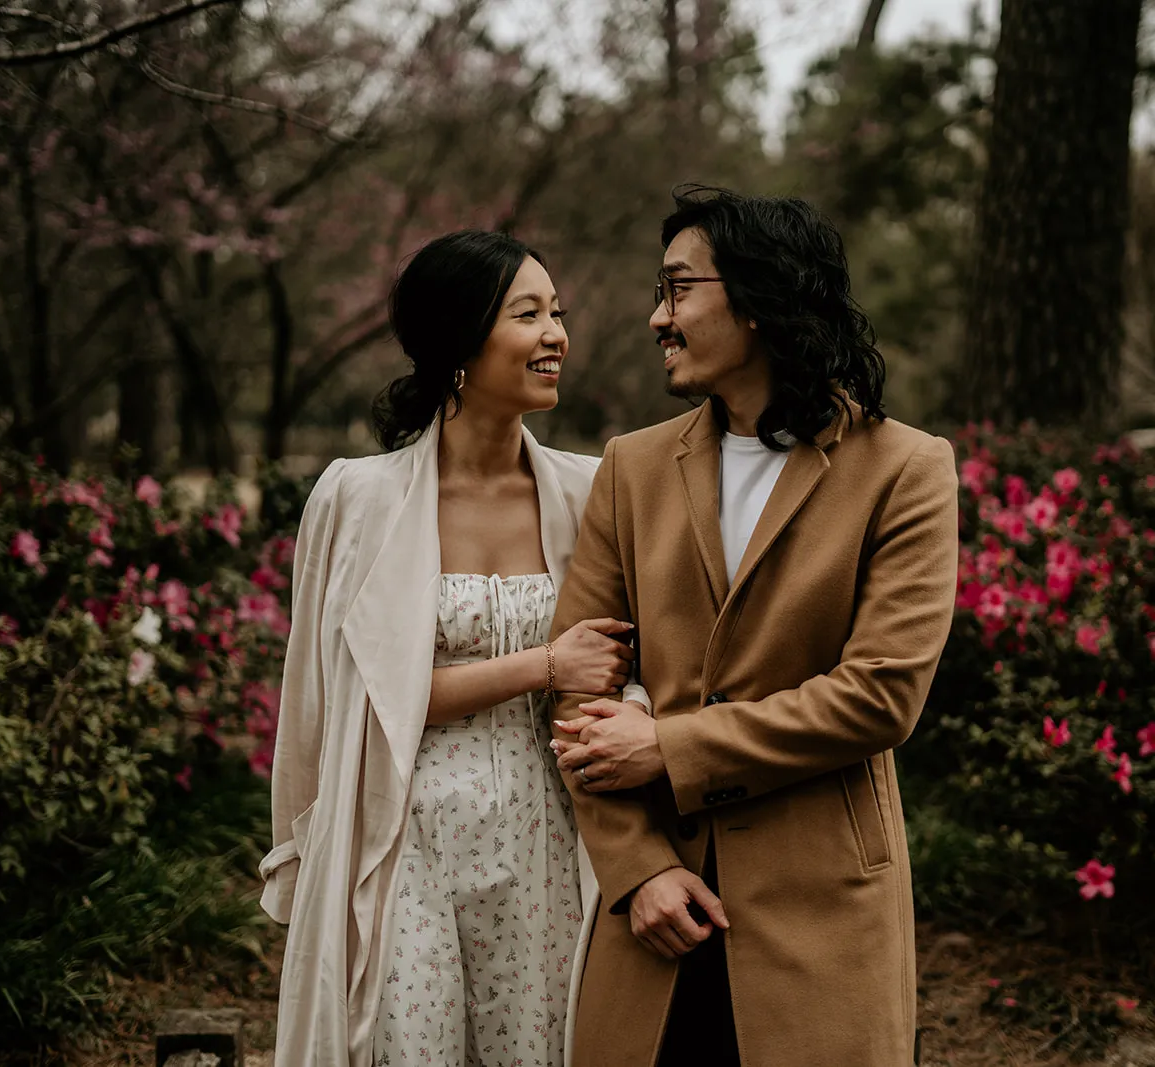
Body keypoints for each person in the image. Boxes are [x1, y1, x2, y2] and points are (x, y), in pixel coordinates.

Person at [547, 186, 961, 1067]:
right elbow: (576, 689)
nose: (658, 317)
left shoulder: (908, 471)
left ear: (763, 298)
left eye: (679, 289)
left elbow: (880, 697)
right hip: (656, 921)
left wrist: (673, 746)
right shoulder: (632, 466)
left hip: (823, 912)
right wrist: (638, 871)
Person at [260, 230, 645, 1067]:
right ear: (460, 342)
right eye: (528, 313)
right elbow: (343, 693)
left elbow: (634, 666)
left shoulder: (593, 490)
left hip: (546, 835)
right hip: (403, 832)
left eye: (558, 313)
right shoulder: (356, 499)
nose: (557, 336)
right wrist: (544, 666)